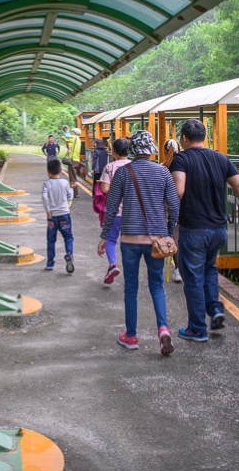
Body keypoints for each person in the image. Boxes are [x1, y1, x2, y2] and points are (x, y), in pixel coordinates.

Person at [169, 119, 239, 342]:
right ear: (205, 137)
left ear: (184, 138)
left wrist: (167, 218)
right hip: (219, 229)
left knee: (192, 278)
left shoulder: (181, 159)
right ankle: (216, 309)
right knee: (209, 269)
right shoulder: (220, 158)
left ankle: (197, 329)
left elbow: (178, 191)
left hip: (193, 229)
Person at [98, 130, 179, 356]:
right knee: (156, 285)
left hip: (130, 239)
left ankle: (131, 336)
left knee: (131, 288)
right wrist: (169, 232)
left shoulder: (123, 173)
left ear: (133, 149)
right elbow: (173, 205)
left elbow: (112, 208)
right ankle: (163, 328)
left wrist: (105, 237)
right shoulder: (164, 172)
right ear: (151, 150)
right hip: (156, 239)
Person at [96, 137, 130, 285]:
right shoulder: (134, 166)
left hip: (116, 211)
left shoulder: (110, 167)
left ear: (114, 151)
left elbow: (104, 189)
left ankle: (113, 265)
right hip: (132, 213)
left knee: (110, 239)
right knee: (129, 242)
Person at [42, 158, 75, 273]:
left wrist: (48, 211)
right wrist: (71, 188)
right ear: (61, 170)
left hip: (52, 216)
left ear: (48, 171)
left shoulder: (46, 184)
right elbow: (70, 196)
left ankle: (50, 263)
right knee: (68, 237)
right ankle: (69, 255)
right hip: (64, 214)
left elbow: (45, 197)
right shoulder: (65, 183)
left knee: (51, 240)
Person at [160, 138, 183, 283]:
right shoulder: (183, 164)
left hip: (168, 207)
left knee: (174, 237)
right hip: (185, 205)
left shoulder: (163, 167)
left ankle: (178, 270)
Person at [60, 126, 82, 197]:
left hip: (72, 160)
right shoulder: (78, 139)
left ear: (75, 133)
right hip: (76, 160)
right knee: (73, 176)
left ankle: (75, 193)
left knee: (72, 177)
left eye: (73, 132)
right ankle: (75, 193)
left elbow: (63, 137)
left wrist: (66, 131)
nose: (72, 133)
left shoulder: (74, 138)